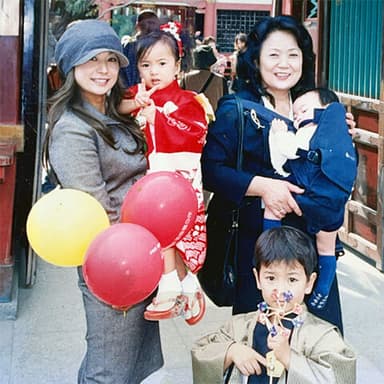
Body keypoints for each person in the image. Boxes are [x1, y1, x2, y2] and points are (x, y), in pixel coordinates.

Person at [201, 15, 355, 332]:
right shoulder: (237, 109)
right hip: (259, 247)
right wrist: (264, 188)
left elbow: (336, 166)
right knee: (262, 343)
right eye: (273, 54)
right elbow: (212, 171)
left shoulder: (319, 106)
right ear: (255, 60)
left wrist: (336, 137)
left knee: (318, 341)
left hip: (311, 243)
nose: (284, 64)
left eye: (293, 54)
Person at [43, 19, 163, 383]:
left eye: (111, 60)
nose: (103, 69)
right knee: (108, 370)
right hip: (114, 261)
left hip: (138, 253)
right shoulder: (72, 129)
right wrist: (124, 272)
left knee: (124, 363)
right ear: (70, 67)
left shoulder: (114, 112)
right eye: (91, 60)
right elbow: (96, 213)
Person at [120, 30, 209, 325]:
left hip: (177, 176)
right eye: (145, 65)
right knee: (162, 232)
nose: (153, 71)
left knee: (166, 230)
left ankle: (169, 287)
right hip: (148, 176)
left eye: (161, 63)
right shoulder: (136, 94)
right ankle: (189, 288)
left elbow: (194, 133)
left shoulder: (189, 101)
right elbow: (118, 106)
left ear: (177, 66)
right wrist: (137, 104)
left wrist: (157, 115)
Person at [191, 226, 356, 384]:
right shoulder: (239, 326)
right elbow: (202, 353)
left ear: (309, 283)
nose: (281, 290)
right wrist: (231, 351)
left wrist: (289, 358)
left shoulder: (321, 335)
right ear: (258, 278)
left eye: (292, 279)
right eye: (271, 278)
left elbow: (340, 376)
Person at [265, 87, 358, 309]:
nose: (298, 117)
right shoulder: (343, 139)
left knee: (272, 208)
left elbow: (287, 153)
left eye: (303, 110)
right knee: (326, 248)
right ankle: (324, 286)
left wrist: (279, 133)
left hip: (310, 198)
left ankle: (267, 250)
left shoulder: (310, 131)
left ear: (325, 111)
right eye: (295, 114)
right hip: (334, 207)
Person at [180, 44, 228, 111]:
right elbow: (225, 103)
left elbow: (180, 101)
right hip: (214, 119)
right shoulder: (221, 80)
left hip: (192, 118)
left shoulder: (186, 78)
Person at [120, 9, 161, 87]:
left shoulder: (127, 46)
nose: (149, 27)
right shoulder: (128, 46)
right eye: (147, 24)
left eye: (152, 24)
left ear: (137, 26)